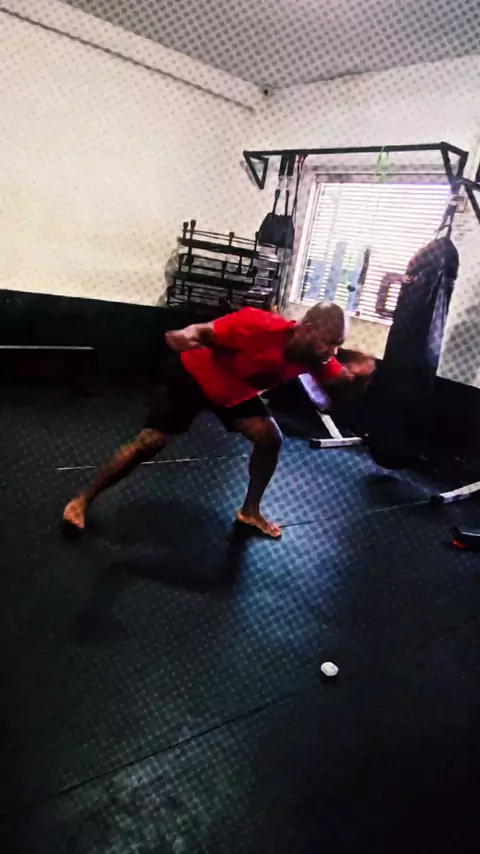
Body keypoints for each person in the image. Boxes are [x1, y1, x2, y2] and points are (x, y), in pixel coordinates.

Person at [63, 303, 375, 539]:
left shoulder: (317, 357)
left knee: (270, 438)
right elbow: (203, 331)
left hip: (234, 390)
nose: (333, 351)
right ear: (307, 327)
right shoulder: (258, 324)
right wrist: (185, 335)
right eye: (330, 341)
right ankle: (82, 500)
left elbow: (342, 384)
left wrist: (361, 376)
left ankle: (250, 511)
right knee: (150, 443)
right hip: (195, 375)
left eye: (338, 344)